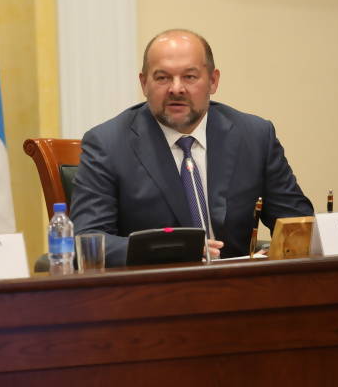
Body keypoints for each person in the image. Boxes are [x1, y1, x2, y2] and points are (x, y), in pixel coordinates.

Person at [70, 29, 313, 266]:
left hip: (241, 285)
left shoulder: (254, 136)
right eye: (162, 77)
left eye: (190, 77)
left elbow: (297, 222)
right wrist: (172, 250)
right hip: (156, 287)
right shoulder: (108, 144)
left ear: (213, 81)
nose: (176, 89)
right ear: (144, 83)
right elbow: (87, 239)